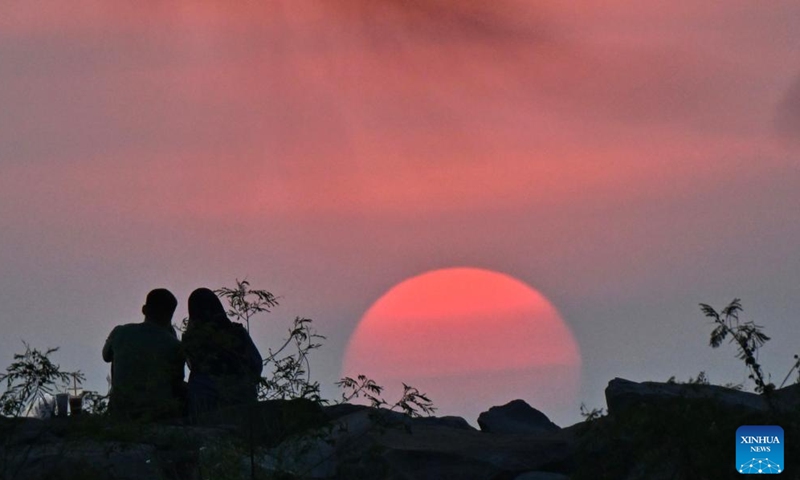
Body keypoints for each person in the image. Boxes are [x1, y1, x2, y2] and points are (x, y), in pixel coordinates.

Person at [102, 288, 186, 420]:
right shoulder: (175, 345)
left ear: (144, 310)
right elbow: (176, 382)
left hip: (120, 411)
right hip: (158, 414)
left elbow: (106, 356)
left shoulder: (120, 332)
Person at [182, 288, 263, 422]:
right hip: (242, 403)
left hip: (205, 408)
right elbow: (256, 365)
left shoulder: (192, 340)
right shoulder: (237, 332)